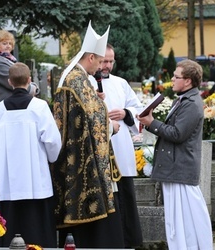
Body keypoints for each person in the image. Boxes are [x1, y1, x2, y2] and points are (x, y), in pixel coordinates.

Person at [51, 21, 124, 248]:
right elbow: (90, 120)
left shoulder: (79, 78)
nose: (102, 66)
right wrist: (111, 126)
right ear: (90, 57)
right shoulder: (76, 79)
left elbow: (88, 112)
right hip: (82, 158)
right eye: (100, 61)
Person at [137, 59, 213, 250]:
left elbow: (177, 134)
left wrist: (152, 122)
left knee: (187, 219)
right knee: (176, 221)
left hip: (181, 169)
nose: (172, 79)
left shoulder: (192, 103)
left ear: (188, 81)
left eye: (176, 76)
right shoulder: (186, 100)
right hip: (176, 168)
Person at [0, 62, 61, 247]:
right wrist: (51, 159)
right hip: (36, 180)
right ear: (29, 81)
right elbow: (52, 141)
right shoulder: (39, 107)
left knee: (11, 226)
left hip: (9, 183)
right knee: (38, 228)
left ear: (9, 82)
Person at [89, 43, 143, 248]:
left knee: (125, 197)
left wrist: (125, 113)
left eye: (111, 61)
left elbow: (138, 109)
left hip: (120, 148)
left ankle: (129, 241)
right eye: (104, 61)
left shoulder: (121, 83)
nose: (107, 65)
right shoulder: (86, 82)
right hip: (99, 150)